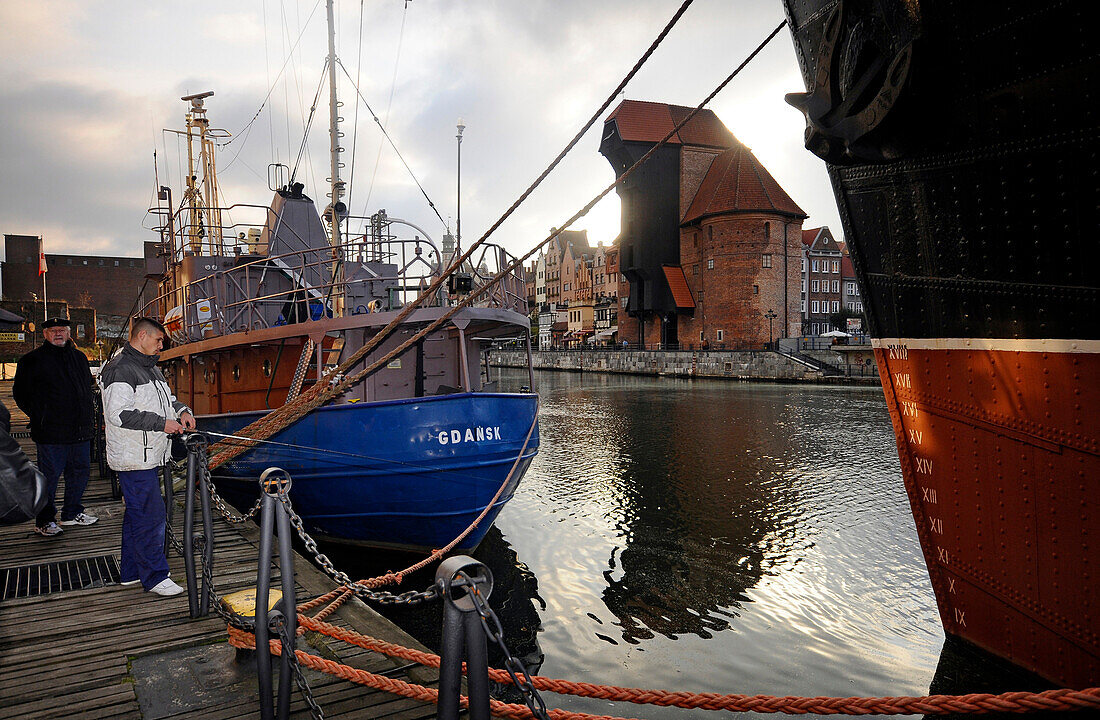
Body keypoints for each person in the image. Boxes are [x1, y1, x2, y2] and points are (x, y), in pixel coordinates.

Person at [100, 317, 195, 597]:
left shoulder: (149, 368)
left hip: (148, 455)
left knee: (137, 515)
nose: (161, 345)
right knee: (151, 516)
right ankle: (154, 577)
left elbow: (166, 401)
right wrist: (161, 424)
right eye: (159, 340)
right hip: (134, 458)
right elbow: (117, 414)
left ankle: (130, 573)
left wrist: (182, 411)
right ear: (142, 336)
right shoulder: (121, 369)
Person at [13, 317, 98, 537]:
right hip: (51, 432)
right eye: (53, 330)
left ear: (70, 333)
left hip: (81, 430)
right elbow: (20, 394)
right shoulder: (31, 360)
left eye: (62, 330)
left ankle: (71, 513)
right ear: (45, 334)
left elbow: (87, 388)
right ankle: (44, 520)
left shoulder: (79, 358)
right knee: (49, 478)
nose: (58, 334)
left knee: (79, 473)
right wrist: (41, 415)